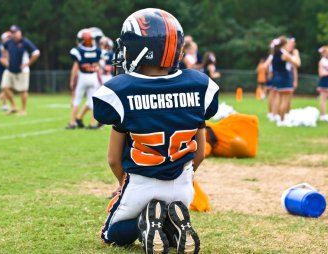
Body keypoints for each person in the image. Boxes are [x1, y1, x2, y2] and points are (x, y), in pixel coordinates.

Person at [93, 8, 219, 253]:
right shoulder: (201, 85)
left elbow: (113, 158)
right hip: (182, 185)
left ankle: (145, 223)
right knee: (169, 208)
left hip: (140, 182)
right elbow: (201, 153)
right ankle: (171, 223)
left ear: (143, 49)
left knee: (112, 235)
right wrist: (184, 176)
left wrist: (123, 183)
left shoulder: (121, 90)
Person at [66, 29, 103, 129]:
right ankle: (92, 123)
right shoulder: (98, 51)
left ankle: (73, 122)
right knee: (92, 102)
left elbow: (75, 67)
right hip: (93, 76)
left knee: (76, 100)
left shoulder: (78, 51)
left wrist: (72, 79)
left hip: (83, 77)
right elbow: (100, 65)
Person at [0, 25, 40, 116]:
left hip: (22, 71)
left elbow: (36, 53)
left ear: (20, 32)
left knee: (23, 90)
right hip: (10, 70)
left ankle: (23, 110)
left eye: (16, 32)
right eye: (13, 33)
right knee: (5, 87)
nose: (15, 34)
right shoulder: (9, 42)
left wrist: (28, 64)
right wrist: (5, 58)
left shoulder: (25, 42)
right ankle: (14, 106)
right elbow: (2, 49)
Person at [264, 36, 300, 124]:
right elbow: (297, 64)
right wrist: (296, 54)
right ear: (284, 45)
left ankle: (278, 117)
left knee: (279, 99)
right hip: (285, 77)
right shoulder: (284, 54)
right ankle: (282, 120)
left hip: (277, 77)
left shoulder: (275, 53)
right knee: (285, 100)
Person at [317, 46, 328, 122]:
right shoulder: (322, 61)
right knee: (323, 99)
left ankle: (325, 114)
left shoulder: (327, 61)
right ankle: (323, 115)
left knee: (326, 99)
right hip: (324, 81)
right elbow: (321, 73)